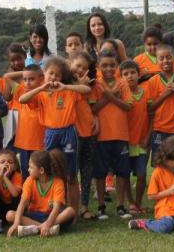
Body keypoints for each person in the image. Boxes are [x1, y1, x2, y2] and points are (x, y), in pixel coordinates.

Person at [19, 56, 91, 217]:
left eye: (57, 75)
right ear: (44, 73)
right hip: (50, 133)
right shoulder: (41, 94)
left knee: (71, 174)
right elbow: (22, 99)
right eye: (50, 74)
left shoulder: (68, 91)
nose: (53, 78)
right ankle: (53, 209)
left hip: (68, 133)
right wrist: (40, 88)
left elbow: (87, 90)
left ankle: (73, 211)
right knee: (51, 172)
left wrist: (66, 86)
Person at [89, 49, 133, 220]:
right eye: (105, 65)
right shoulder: (96, 83)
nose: (108, 68)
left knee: (122, 172)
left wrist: (110, 96)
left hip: (121, 135)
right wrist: (110, 96)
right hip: (101, 136)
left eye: (112, 65)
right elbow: (93, 108)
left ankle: (120, 206)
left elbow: (128, 106)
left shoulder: (122, 83)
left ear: (117, 66)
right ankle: (101, 206)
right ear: (99, 66)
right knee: (100, 172)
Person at [128, 135, 174, 233]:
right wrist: (168, 192)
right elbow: (151, 196)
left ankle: (164, 223)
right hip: (165, 208)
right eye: (172, 160)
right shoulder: (158, 172)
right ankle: (145, 223)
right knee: (166, 227)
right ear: (164, 156)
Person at [6, 150, 77, 238]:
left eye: (31, 167)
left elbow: (56, 208)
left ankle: (38, 228)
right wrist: (16, 224)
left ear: (41, 170)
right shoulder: (29, 181)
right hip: (34, 215)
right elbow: (22, 204)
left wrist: (48, 223)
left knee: (70, 211)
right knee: (10, 215)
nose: (28, 170)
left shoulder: (58, 182)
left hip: (52, 216)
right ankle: (44, 228)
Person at [68, 52, 99, 220]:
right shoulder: (63, 83)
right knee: (71, 172)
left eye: (84, 68)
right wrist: (77, 84)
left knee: (87, 170)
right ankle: (70, 207)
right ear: (70, 62)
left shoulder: (90, 84)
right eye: (78, 65)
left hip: (89, 132)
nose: (80, 70)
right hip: (72, 133)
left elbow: (91, 106)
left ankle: (84, 207)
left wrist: (95, 119)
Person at [146, 44, 174, 160]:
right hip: (160, 128)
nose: (165, 61)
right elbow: (150, 108)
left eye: (168, 57)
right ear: (157, 60)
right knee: (159, 162)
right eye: (161, 58)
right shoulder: (153, 81)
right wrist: (164, 95)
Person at [119, 60, 152, 215]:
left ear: (139, 75)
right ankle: (130, 202)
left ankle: (138, 203)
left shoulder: (146, 93)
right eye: (125, 74)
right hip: (125, 141)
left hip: (142, 142)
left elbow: (152, 115)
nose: (129, 76)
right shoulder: (120, 95)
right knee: (124, 174)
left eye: (132, 73)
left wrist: (148, 136)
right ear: (121, 77)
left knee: (141, 175)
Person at [6, 64, 46, 179]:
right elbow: (7, 76)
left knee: (40, 174)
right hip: (24, 142)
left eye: (32, 79)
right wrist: (26, 73)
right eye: (25, 79)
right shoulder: (21, 90)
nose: (27, 82)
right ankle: (27, 196)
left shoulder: (42, 93)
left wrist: (39, 73)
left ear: (41, 79)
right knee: (26, 174)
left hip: (39, 142)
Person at [0, 149, 23, 220]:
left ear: (15, 166)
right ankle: (0, 219)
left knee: (18, 196)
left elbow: (15, 194)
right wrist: (0, 175)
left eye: (10, 162)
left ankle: (14, 217)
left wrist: (5, 177)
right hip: (1, 206)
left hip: (13, 206)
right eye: (2, 162)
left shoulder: (17, 176)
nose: (6, 164)